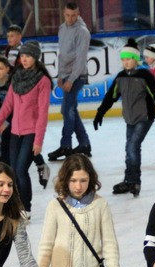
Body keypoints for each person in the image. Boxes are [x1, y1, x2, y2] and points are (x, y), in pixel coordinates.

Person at [94, 38, 155, 197]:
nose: (125, 62)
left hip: (145, 117)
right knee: (130, 149)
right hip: (130, 118)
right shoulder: (121, 77)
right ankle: (129, 181)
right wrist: (100, 113)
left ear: (136, 59)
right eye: (123, 59)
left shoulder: (145, 76)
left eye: (128, 59)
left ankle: (135, 181)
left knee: (133, 147)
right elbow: (110, 96)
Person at [0, 41, 51, 215]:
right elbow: (7, 105)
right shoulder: (16, 77)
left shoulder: (42, 81)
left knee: (21, 169)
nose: (24, 59)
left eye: (28, 56)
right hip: (15, 132)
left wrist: (38, 141)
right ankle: (17, 205)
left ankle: (26, 208)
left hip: (31, 132)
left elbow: (43, 114)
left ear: (35, 58)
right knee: (14, 171)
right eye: (22, 56)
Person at [48, 2, 91, 161]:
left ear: (78, 13)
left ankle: (66, 145)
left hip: (77, 76)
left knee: (67, 110)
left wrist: (71, 80)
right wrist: (60, 75)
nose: (70, 19)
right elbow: (62, 54)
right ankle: (84, 143)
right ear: (63, 13)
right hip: (66, 75)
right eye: (67, 15)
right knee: (70, 110)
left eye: (74, 15)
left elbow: (80, 60)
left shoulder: (82, 32)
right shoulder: (62, 28)